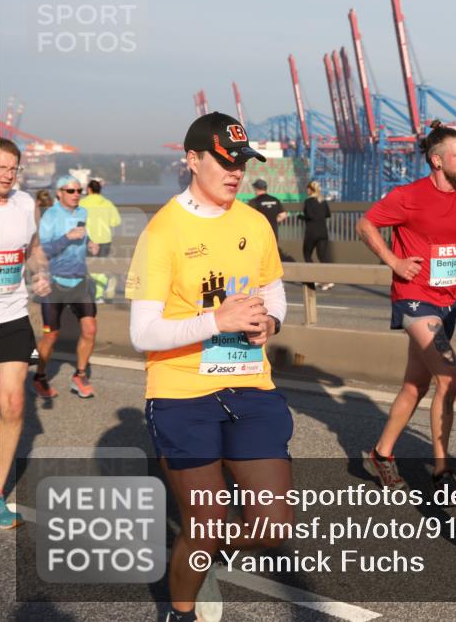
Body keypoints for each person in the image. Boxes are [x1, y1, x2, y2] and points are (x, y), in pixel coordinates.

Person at [126, 111, 292, 622]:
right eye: (224, 161)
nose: (235, 171)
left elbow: (273, 293)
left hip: (249, 387)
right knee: (205, 523)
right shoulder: (163, 231)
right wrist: (215, 318)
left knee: (274, 528)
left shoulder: (254, 222)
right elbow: (142, 333)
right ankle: (180, 611)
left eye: (241, 161)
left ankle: (204, 548)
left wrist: (272, 325)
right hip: (182, 393)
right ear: (192, 159)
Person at [356, 120, 456, 494]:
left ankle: (381, 455)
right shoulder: (409, 196)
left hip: (448, 302)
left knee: (414, 386)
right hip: (414, 299)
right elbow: (365, 225)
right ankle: (442, 471)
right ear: (437, 161)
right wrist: (394, 262)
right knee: (450, 377)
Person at [0, 137, 50, 529]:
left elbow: (33, 248)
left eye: (13, 169)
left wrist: (40, 271)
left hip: (13, 315)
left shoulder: (24, 204)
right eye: (0, 167)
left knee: (13, 405)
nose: (7, 175)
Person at [32, 175, 99, 400]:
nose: (76, 194)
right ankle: (40, 376)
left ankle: (80, 375)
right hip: (54, 283)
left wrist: (90, 244)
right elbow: (42, 250)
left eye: (79, 190)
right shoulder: (50, 216)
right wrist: (66, 237)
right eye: (70, 191)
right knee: (51, 336)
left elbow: (82, 239)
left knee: (90, 329)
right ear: (59, 193)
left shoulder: (82, 213)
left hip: (79, 280)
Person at [79, 178, 122, 302]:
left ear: (89, 189)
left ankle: (95, 295)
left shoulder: (82, 203)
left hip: (88, 240)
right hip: (104, 240)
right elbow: (116, 222)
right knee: (100, 267)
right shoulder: (108, 203)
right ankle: (100, 294)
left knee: (89, 268)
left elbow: (76, 222)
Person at [300, 180, 333, 291]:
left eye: (308, 189)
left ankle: (314, 278)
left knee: (307, 254)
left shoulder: (308, 201)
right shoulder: (322, 201)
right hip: (323, 232)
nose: (307, 190)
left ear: (311, 189)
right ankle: (328, 280)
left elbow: (309, 215)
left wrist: (302, 217)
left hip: (312, 232)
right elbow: (328, 214)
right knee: (322, 257)